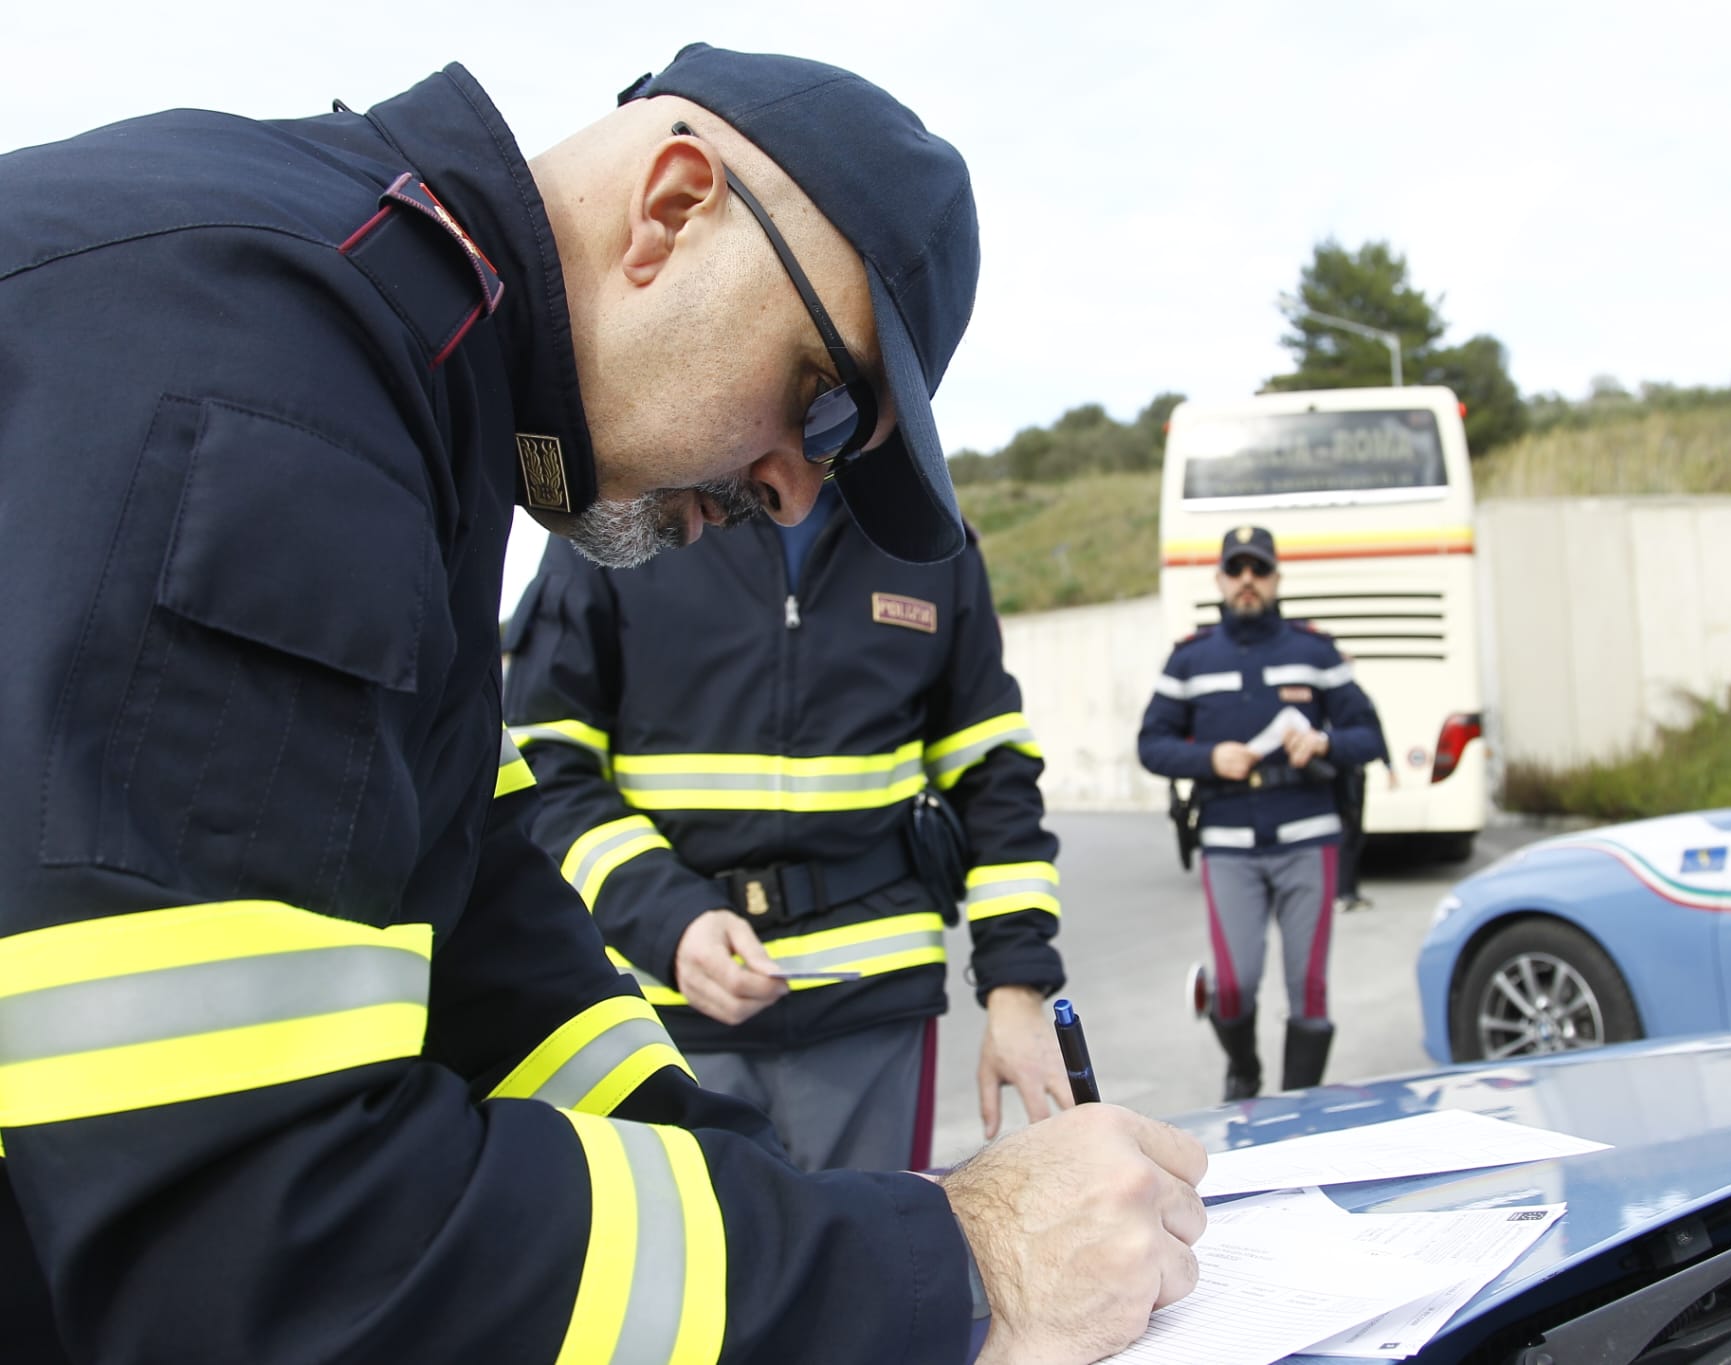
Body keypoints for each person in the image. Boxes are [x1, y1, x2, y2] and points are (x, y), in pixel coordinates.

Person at [0, 43, 1204, 1365]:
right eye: (820, 404)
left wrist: (818, 1221)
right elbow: (256, 1252)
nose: (793, 490)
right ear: (676, 203)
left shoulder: (402, 377)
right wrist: (952, 1260)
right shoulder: (274, 358)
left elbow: (496, 964)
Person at [503, 482, 1069, 1173]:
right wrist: (668, 919)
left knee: (879, 1273)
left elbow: (993, 776)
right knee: (698, 1276)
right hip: (662, 1014)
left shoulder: (933, 545)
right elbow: (542, 769)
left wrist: (1017, 988)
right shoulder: (617, 519)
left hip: (874, 1010)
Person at [1137, 526, 1390, 1101]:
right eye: (1237, 569)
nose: (1247, 580)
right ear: (1221, 579)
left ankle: (1297, 1112)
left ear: (1276, 577)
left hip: (1309, 839)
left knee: (1309, 987)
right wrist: (1208, 758)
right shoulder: (1190, 659)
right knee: (1233, 984)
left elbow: (1370, 737)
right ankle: (1245, 1071)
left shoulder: (1315, 653)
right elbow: (1151, 745)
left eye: (1259, 569)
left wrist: (1324, 742)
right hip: (1228, 844)